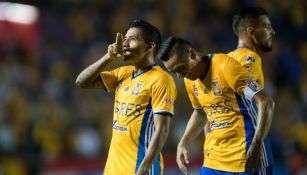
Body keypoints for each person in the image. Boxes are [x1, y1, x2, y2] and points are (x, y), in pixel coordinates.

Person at [157, 37, 274, 175]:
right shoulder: (190, 80)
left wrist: (257, 143)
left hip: (245, 156)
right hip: (214, 161)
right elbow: (201, 113)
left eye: (180, 68)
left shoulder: (227, 67)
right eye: (174, 72)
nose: (179, 76)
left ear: (192, 54)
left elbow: (265, 101)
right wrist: (184, 142)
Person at [76, 20, 177, 175]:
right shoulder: (123, 73)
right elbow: (82, 82)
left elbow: (162, 130)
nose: (125, 43)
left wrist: (143, 170)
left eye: (132, 39)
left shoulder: (161, 79)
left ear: (150, 47)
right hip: (113, 169)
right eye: (125, 38)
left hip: (140, 169)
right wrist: (107, 58)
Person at [228, 7, 276, 172]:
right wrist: (257, 144)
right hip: (249, 145)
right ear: (251, 31)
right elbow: (263, 101)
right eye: (267, 27)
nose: (273, 32)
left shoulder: (226, 60)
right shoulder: (249, 59)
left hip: (227, 151)